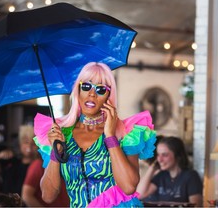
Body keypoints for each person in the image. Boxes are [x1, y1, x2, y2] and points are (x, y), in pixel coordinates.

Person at [33, 62, 156, 207]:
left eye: (101, 89)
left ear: (108, 96)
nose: (92, 93)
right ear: (78, 90)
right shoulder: (61, 134)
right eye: (86, 86)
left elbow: (129, 187)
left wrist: (110, 136)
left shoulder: (125, 133)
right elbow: (48, 196)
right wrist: (56, 152)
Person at [137, 136, 203, 207]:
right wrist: (152, 167)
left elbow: (196, 206)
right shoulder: (162, 175)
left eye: (164, 155)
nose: (159, 159)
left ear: (178, 155)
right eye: (158, 155)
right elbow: (139, 194)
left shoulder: (191, 176)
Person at [0, 124, 38, 195]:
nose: (29, 146)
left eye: (33, 144)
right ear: (20, 144)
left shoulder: (40, 166)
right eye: (26, 142)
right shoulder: (11, 161)